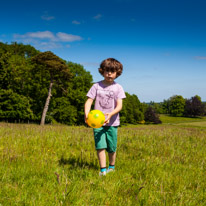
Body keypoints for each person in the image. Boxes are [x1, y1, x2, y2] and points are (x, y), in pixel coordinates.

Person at [84, 58, 126, 176]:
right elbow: (89, 101)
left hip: (112, 123)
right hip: (97, 123)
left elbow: (119, 106)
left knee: (112, 148)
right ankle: (103, 170)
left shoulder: (118, 88)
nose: (109, 74)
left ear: (117, 73)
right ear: (102, 72)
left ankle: (111, 167)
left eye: (112, 71)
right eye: (107, 71)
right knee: (100, 146)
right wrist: (87, 113)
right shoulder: (96, 86)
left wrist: (110, 114)